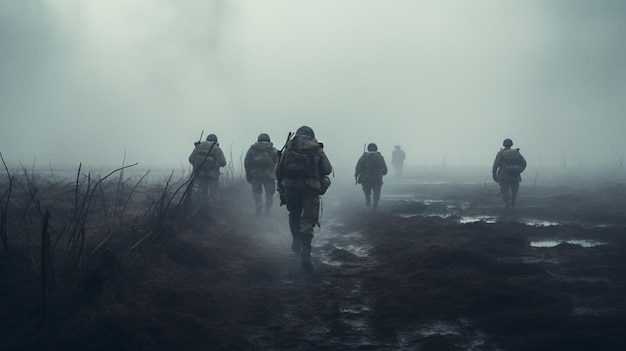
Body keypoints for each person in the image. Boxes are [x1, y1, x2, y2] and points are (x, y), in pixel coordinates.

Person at [275, 126, 333, 271]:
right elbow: (327, 169)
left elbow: (278, 170)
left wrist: (282, 187)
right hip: (310, 188)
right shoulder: (316, 148)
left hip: (291, 188)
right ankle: (306, 252)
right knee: (308, 219)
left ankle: (295, 240)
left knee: (294, 214)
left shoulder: (289, 147)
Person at [244, 133, 279, 216]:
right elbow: (278, 161)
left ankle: (258, 205)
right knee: (269, 193)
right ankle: (267, 209)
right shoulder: (272, 149)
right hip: (269, 174)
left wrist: (248, 174)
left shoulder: (253, 149)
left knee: (257, 192)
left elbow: (247, 162)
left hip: (256, 174)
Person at [188, 133, 227, 202]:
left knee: (201, 193)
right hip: (213, 175)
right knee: (213, 194)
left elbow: (191, 159)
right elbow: (223, 163)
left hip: (200, 174)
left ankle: (202, 209)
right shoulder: (217, 149)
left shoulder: (199, 146)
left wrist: (198, 166)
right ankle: (213, 210)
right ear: (216, 141)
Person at [492, 138, 527, 208]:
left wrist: (494, 175)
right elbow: (524, 162)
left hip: (504, 175)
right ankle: (513, 200)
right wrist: (520, 170)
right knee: (514, 190)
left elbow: (496, 165)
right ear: (511, 144)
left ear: (504, 144)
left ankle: (507, 204)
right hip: (515, 175)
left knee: (505, 190)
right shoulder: (516, 152)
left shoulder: (501, 153)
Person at [355, 143, 388, 210]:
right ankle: (375, 204)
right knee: (377, 192)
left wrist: (357, 174)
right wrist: (382, 173)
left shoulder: (364, 156)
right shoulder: (380, 157)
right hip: (378, 177)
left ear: (368, 148)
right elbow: (384, 169)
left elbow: (359, 166)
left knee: (367, 190)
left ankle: (368, 201)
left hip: (366, 177)